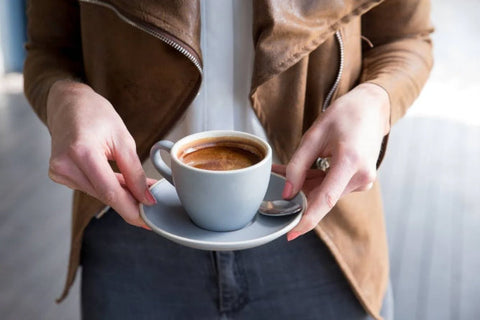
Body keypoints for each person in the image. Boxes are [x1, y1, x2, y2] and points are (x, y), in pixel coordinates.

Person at [24, 0, 433, 319]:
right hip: (132, 229)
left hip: (319, 231)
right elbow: (48, 50)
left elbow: (407, 38)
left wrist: (377, 100)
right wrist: (62, 95)